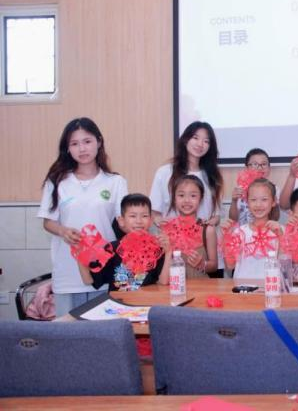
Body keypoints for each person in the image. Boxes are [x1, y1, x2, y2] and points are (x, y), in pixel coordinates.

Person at [38, 117, 128, 316]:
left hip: (103, 271)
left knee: (104, 331)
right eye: (74, 143)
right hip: (68, 272)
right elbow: (48, 222)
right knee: (68, 332)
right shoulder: (57, 181)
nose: (82, 149)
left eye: (87, 141)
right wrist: (63, 231)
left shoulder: (115, 182)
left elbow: (124, 223)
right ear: (67, 148)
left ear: (99, 142)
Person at [149, 121, 224, 275]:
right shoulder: (165, 172)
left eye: (206, 141)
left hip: (204, 250)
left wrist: (210, 225)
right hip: (174, 250)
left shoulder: (211, 174)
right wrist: (161, 222)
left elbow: (216, 214)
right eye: (195, 138)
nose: (200, 144)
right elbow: (155, 212)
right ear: (185, 140)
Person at [78, 194, 170, 291]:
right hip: (118, 300)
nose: (139, 221)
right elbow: (88, 280)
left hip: (147, 299)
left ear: (151, 220)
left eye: (144, 216)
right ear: (121, 221)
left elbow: (164, 281)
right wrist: (80, 255)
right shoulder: (111, 248)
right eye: (133, 216)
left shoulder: (158, 248)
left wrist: (168, 252)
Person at [227, 179, 282, 280]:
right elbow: (230, 265)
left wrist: (281, 237)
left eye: (264, 199)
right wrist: (226, 238)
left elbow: (285, 263)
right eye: (253, 200)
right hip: (243, 287)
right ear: (247, 202)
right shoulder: (239, 232)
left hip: (271, 286)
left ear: (274, 201)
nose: (258, 204)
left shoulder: (280, 230)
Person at [168, 175, 218, 277]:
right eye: (181, 195)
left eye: (193, 196)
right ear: (174, 198)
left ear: (201, 198)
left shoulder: (208, 230)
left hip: (200, 285)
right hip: (174, 284)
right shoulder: (167, 229)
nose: (187, 200)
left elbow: (214, 266)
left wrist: (202, 264)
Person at [229, 148, 280, 225]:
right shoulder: (240, 189)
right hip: (243, 230)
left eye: (264, 164)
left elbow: (275, 218)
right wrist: (234, 201)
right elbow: (233, 219)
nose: (260, 168)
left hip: (265, 230)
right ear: (246, 168)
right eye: (255, 164)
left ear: (269, 168)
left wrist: (275, 203)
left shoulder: (274, 189)